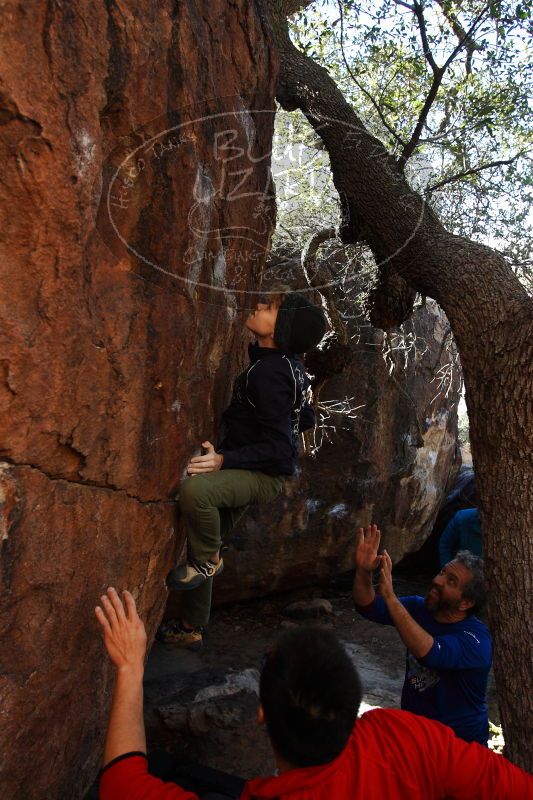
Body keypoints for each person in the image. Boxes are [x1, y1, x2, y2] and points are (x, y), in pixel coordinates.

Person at [95, 588, 532, 800]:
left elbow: (119, 782)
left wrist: (131, 668)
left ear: (262, 713)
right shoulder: (401, 734)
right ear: (354, 707)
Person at [159, 289, 326, 650]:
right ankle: (191, 626)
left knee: (196, 493)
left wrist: (223, 460)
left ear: (281, 328)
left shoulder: (271, 372)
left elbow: (281, 446)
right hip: (257, 467)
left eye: (270, 307)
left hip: (261, 474)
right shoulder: (288, 365)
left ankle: (208, 561)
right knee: (208, 535)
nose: (260, 306)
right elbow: (305, 417)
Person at [353, 524, 492, 745]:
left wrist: (391, 598)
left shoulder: (476, 640)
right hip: (416, 735)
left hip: (459, 747)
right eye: (442, 572)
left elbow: (430, 652)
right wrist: (363, 571)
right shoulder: (421, 608)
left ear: (466, 603)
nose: (438, 581)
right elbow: (368, 606)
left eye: (451, 581)